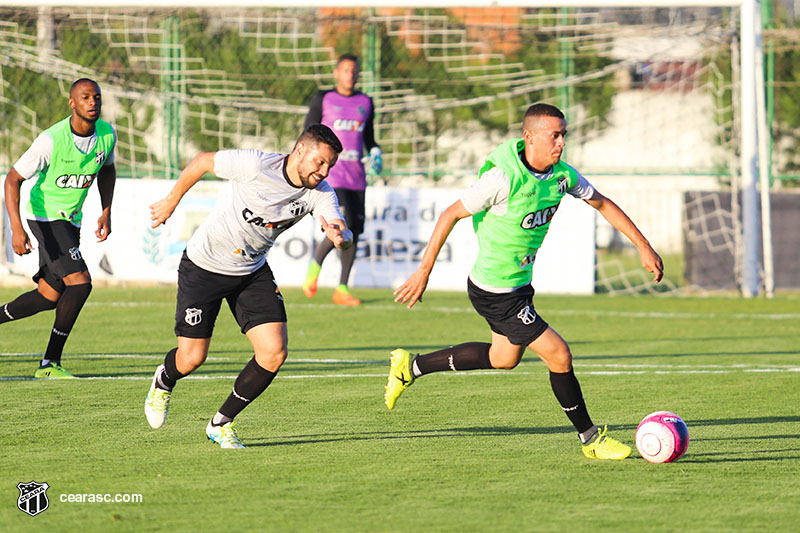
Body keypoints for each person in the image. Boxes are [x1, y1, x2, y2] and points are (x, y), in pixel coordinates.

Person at [386, 103, 664, 460]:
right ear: (529, 137)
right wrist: (424, 271)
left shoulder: (562, 176)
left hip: (517, 287)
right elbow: (450, 214)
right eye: (555, 135)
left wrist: (643, 246)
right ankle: (591, 439)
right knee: (559, 355)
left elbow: (603, 203)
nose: (562, 142)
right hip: (495, 292)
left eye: (564, 134)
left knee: (502, 358)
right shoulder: (502, 179)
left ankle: (410, 367)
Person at [144, 124, 352, 448]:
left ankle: (220, 423)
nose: (323, 171)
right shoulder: (255, 165)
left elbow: (338, 223)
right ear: (300, 151)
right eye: (320, 162)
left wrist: (340, 235)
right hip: (204, 266)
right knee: (191, 358)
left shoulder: (320, 192)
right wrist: (171, 201)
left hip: (251, 271)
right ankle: (164, 380)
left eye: (330, 166)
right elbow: (202, 161)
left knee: (273, 352)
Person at [1, 78, 117, 379]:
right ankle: (49, 364)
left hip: (71, 219)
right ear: (72, 103)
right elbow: (12, 179)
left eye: (97, 97)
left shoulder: (107, 134)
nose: (92, 102)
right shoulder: (50, 141)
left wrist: (106, 210)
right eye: (85, 97)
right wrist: (16, 227)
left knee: (48, 296)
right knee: (80, 283)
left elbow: (107, 169)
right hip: (45, 217)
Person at [301, 53, 381, 306]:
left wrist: (376, 151)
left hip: (357, 178)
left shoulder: (366, 101)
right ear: (336, 73)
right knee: (338, 227)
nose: (350, 75)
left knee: (353, 233)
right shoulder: (324, 98)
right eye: (345, 70)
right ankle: (314, 269)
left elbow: (368, 137)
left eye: (354, 71)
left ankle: (342, 288)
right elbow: (309, 133)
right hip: (331, 176)